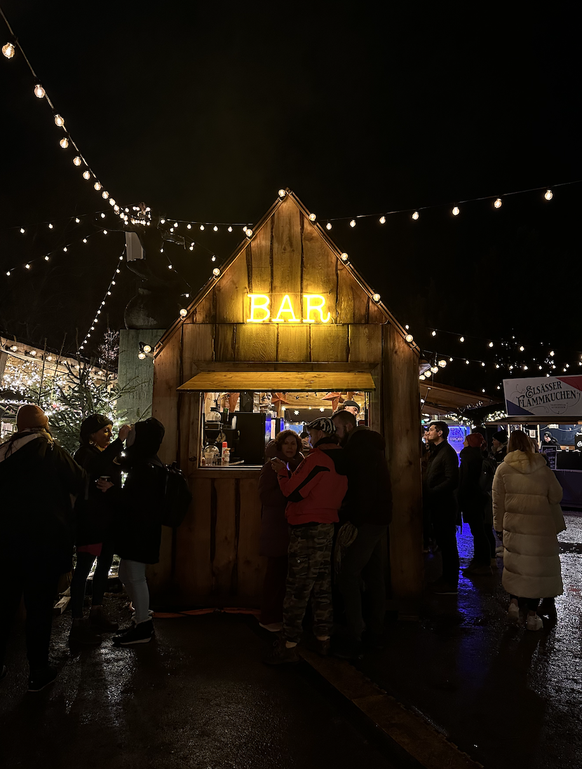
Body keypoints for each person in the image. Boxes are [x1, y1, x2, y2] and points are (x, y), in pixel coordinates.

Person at [0, 404, 86, 692]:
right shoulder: (52, 452)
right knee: (38, 608)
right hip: (43, 544)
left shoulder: (3, 453)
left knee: (3, 604)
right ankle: (38, 671)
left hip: (5, 544)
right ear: (43, 426)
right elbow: (80, 481)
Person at [264, 417, 347, 664]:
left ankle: (288, 645)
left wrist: (281, 473)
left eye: (310, 433)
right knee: (322, 586)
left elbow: (294, 492)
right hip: (328, 526)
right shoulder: (342, 458)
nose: (308, 438)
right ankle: (323, 639)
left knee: (298, 587)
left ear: (320, 434)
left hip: (307, 527)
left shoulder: (318, 459)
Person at [331, 410, 392, 658]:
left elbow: (363, 489)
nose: (336, 434)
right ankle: (376, 629)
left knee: (348, 573)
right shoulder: (369, 444)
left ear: (346, 426)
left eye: (336, 429)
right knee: (374, 573)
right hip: (380, 518)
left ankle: (356, 632)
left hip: (367, 520)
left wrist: (352, 519)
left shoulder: (359, 447)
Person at [492, 429, 563, 631]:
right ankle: (532, 617)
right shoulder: (542, 468)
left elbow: (497, 502)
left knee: (517, 567)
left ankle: (514, 603)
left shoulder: (503, 469)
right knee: (536, 571)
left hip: (514, 526)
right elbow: (556, 496)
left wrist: (498, 527)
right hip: (541, 529)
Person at [69, 415, 131, 645]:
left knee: (104, 566)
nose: (109, 434)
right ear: (91, 434)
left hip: (108, 522)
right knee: (83, 569)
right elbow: (95, 466)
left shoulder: (107, 453)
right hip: (90, 522)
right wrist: (119, 442)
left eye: (110, 430)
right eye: (104, 430)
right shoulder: (85, 453)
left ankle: (96, 611)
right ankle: (77, 622)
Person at [108, 418, 167, 646]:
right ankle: (140, 620)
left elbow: (136, 501)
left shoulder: (146, 466)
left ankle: (143, 624)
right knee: (127, 575)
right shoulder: (147, 462)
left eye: (134, 433)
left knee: (135, 576)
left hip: (139, 531)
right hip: (141, 529)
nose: (130, 436)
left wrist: (112, 490)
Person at [258, 430, 303, 632]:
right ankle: (268, 617)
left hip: (292, 526)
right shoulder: (272, 467)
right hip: (276, 525)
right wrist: (291, 492)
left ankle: (282, 615)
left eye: (294, 444)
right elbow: (266, 497)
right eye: (286, 443)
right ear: (280, 445)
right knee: (275, 573)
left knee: (288, 574)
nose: (290, 447)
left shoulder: (300, 465)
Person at [423, 421, 460, 594]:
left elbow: (452, 479)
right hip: (438, 503)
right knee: (444, 543)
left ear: (440, 433)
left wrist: (432, 492)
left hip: (444, 504)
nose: (428, 432)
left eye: (430, 430)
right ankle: (446, 578)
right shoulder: (438, 451)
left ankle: (450, 582)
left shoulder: (447, 453)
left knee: (448, 544)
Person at [458, 433, 492, 575]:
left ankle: (482, 563)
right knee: (479, 531)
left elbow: (466, 481)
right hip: (477, 499)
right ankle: (480, 562)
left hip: (472, 499)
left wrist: (460, 498)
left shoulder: (469, 458)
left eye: (466, 440)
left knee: (478, 532)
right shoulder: (478, 456)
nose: (464, 442)